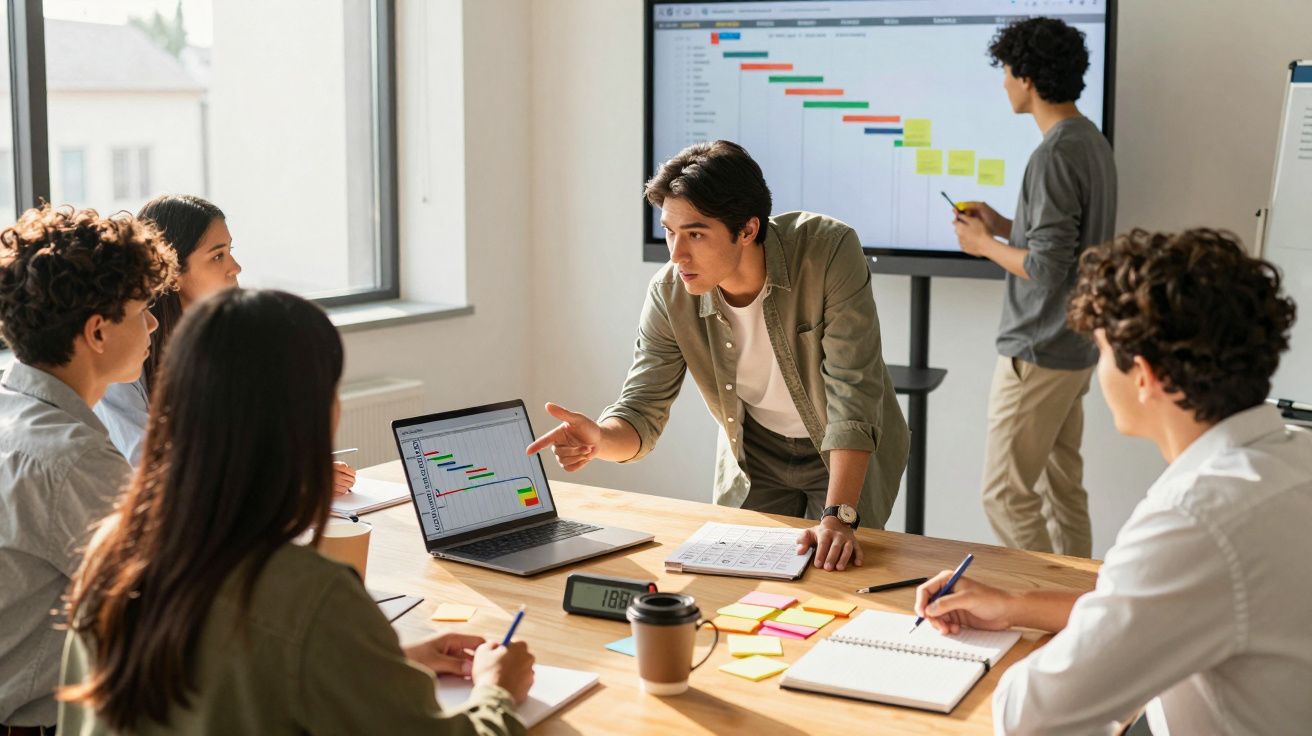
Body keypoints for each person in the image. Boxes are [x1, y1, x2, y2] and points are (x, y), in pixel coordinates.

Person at [59, 289, 535, 735]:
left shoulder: (109, 561)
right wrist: (497, 692)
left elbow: (226, 680)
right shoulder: (312, 595)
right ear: (307, 413)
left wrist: (376, 662)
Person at [915, 229, 1310, 734]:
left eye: (1101, 352)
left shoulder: (1196, 520)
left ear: (1144, 375)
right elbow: (1166, 602)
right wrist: (1016, 607)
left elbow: (1031, 714)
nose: (1099, 372)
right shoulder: (1294, 455)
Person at [527, 140, 909, 572]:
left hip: (838, 450)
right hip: (755, 454)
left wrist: (839, 517)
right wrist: (600, 439)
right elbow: (640, 411)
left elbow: (853, 393)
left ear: (746, 230)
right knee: (735, 582)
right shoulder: (670, 293)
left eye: (695, 233)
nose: (676, 254)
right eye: (670, 231)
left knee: (836, 572)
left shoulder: (828, 251)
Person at [0, 205, 177, 734]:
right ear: (97, 331)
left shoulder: (17, 413)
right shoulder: (70, 458)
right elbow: (172, 601)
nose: (152, 324)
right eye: (144, 308)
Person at [952, 17, 1117, 557]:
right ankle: (1085, 609)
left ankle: (1052, 612)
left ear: (1027, 76)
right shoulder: (1090, 141)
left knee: (1005, 495)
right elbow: (1065, 246)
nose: (1002, 82)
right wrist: (1002, 225)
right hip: (1073, 345)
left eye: (1005, 70)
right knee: (1060, 488)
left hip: (1038, 347)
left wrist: (982, 245)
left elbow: (1047, 268)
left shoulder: (1053, 154)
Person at [93, 194, 355, 492]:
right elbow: (147, 463)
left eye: (230, 251)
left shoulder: (227, 341)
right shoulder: (125, 357)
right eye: (218, 256)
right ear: (172, 273)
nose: (236, 267)